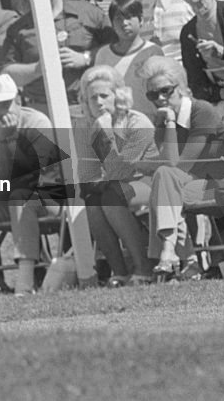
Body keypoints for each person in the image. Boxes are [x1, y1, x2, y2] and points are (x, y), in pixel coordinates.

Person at [143, 55, 224, 280]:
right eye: (152, 94)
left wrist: (169, 123)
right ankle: (174, 256)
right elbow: (164, 163)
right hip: (199, 185)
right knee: (164, 181)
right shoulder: (163, 118)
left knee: (165, 182)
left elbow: (179, 164)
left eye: (165, 90)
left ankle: (179, 258)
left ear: (181, 88)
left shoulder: (202, 110)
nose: (159, 98)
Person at [0, 75, 65, 295]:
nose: (1, 112)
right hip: (7, 200)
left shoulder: (36, 122)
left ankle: (24, 280)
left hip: (48, 197)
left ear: (18, 100)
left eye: (6, 104)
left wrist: (10, 141)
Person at [2, 0, 115, 114]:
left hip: (85, 108)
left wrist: (86, 58)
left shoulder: (89, 14)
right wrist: (37, 69)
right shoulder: (18, 29)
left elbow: (115, 51)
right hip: (41, 112)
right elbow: (7, 74)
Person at [79, 65, 158, 287]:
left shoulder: (137, 121)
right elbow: (87, 172)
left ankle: (143, 268)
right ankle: (120, 271)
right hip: (115, 185)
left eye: (104, 95)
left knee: (111, 196)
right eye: (92, 98)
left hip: (149, 181)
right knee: (93, 202)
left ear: (119, 95)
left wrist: (106, 134)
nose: (98, 102)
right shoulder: (91, 127)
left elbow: (123, 168)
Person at [93, 0, 164, 115]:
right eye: (118, 19)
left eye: (129, 17)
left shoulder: (153, 52)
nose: (124, 23)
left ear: (141, 19)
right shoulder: (103, 55)